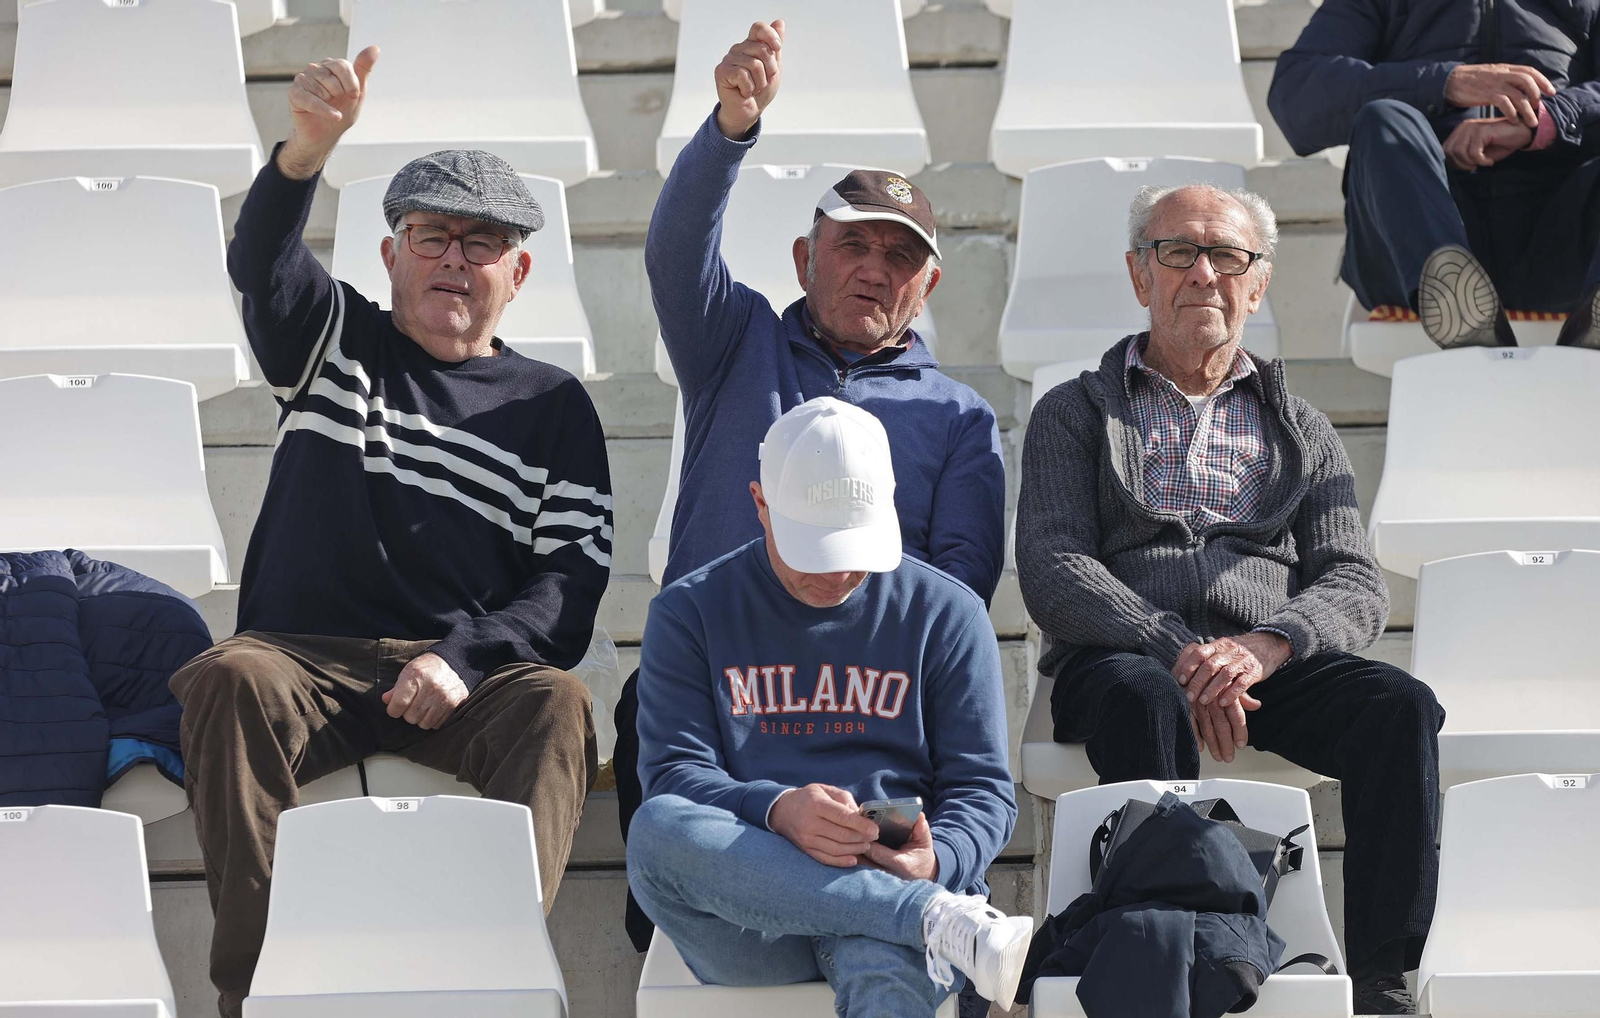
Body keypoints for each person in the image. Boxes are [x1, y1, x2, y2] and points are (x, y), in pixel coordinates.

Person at [169, 47, 609, 1017]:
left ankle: (496, 976)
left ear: (519, 269)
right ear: (389, 254)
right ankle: (254, 993)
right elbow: (259, 266)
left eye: (481, 241)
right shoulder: (335, 340)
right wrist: (304, 153)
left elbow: (570, 581)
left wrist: (466, 655)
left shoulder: (553, 405)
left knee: (557, 704)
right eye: (431, 234)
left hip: (462, 680)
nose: (453, 256)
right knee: (227, 677)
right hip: (303, 663)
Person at [615, 18, 1007, 954]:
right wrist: (729, 129)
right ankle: (677, 950)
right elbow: (675, 256)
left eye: (900, 255)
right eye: (852, 245)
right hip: (725, 679)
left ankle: (880, 922)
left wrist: (833, 613)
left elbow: (957, 588)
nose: (874, 266)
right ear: (803, 257)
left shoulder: (959, 417)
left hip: (863, 698)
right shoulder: (732, 343)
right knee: (646, 720)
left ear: (930, 284)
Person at [1015, 183, 1445, 1015]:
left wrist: (1265, 646)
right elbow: (1053, 563)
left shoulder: (1306, 427)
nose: (1204, 273)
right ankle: (1170, 960)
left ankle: (1385, 983)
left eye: (1228, 256)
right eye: (1179, 252)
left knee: (1402, 708)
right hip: (1125, 660)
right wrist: (1176, 646)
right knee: (1145, 701)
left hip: (1263, 663)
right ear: (1142, 276)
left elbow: (1356, 581)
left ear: (1258, 283)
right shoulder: (1074, 411)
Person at [629, 398, 1028, 1015]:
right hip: (754, 909)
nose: (837, 574)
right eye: (813, 549)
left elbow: (983, 791)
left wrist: (937, 858)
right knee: (655, 833)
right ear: (760, 504)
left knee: (886, 963)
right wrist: (778, 809)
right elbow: (674, 777)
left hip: (899, 890)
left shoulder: (947, 612)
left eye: (853, 548)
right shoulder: (690, 612)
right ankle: (928, 918)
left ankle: (913, 914)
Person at [1269, 0, 1600, 350]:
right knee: (1385, 119)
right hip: (1412, 242)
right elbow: (1296, 95)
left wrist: (1549, 120)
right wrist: (1444, 82)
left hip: (1562, 241)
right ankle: (1450, 292)